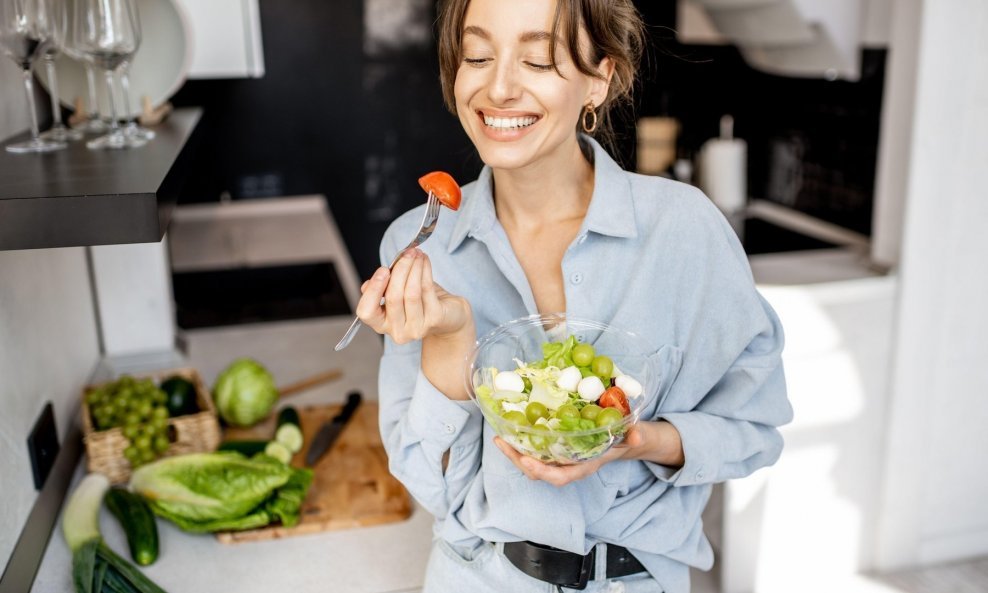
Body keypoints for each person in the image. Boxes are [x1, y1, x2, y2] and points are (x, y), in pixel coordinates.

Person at [353, 0, 793, 591]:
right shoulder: (419, 244)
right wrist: (451, 341)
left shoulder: (683, 231)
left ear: (599, 78)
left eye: (536, 60)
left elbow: (754, 430)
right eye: (477, 55)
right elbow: (426, 483)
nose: (499, 86)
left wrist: (637, 442)